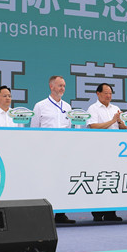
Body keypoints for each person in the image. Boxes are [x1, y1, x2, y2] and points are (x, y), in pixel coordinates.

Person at [30, 75, 74, 224]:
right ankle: (43, 214)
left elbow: (69, 129)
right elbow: (34, 130)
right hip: (45, 151)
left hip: (63, 151)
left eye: (64, 86)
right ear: (51, 87)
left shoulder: (67, 107)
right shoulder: (40, 106)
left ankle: (61, 213)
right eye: (60, 85)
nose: (62, 89)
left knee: (62, 181)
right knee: (45, 182)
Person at [86, 83, 127, 221]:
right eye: (106, 93)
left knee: (113, 178)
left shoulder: (115, 108)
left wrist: (119, 121)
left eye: (110, 93)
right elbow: (93, 126)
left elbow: (124, 128)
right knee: (100, 179)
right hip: (99, 149)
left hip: (115, 149)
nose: (108, 96)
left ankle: (111, 212)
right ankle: (97, 212)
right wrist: (112, 120)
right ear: (98, 94)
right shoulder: (93, 108)